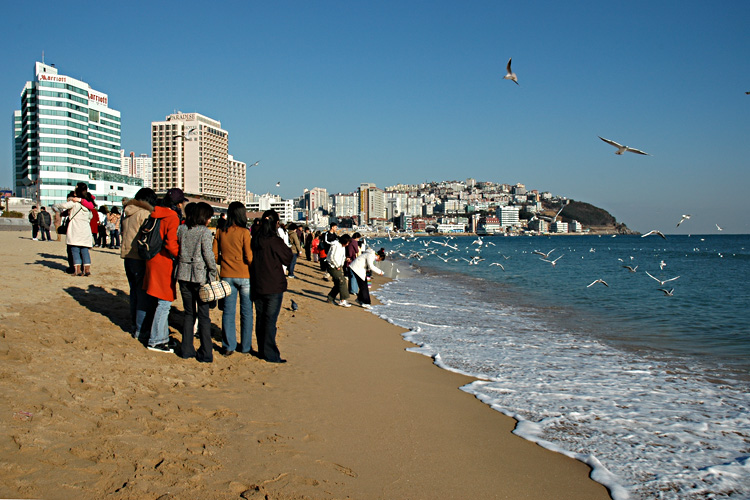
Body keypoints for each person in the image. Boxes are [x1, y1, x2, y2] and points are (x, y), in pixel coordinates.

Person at [143, 188, 184, 353]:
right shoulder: (172, 217)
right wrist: (182, 256)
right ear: (177, 204)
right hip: (164, 262)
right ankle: (156, 341)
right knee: (164, 303)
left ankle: (162, 337)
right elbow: (171, 243)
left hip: (152, 258)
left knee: (158, 301)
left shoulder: (155, 213)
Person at [176, 202, 217, 363]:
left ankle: (186, 349)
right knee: (203, 316)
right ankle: (206, 352)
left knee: (188, 314)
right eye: (209, 217)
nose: (209, 220)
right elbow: (208, 255)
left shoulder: (182, 229)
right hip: (200, 276)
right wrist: (213, 271)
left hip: (183, 274)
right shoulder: (204, 232)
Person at [250, 209, 293, 363]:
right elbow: (288, 258)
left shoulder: (255, 238)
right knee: (269, 320)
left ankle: (263, 350)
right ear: (275, 224)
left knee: (261, 318)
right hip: (273, 284)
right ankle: (270, 354)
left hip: (257, 283)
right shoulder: (274, 240)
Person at [213, 201, 253, 356]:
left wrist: (224, 261)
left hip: (227, 274)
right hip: (244, 274)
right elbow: (249, 256)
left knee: (228, 311)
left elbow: (214, 254)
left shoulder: (220, 231)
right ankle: (245, 346)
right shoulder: (244, 232)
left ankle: (228, 345)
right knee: (246, 312)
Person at [121, 188, 156, 340]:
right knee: (142, 295)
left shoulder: (128, 212)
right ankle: (141, 329)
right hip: (139, 258)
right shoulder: (144, 214)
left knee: (134, 292)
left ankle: (135, 324)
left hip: (127, 256)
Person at [56, 188, 94, 276]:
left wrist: (56, 206)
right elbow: (90, 217)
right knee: (85, 250)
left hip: (75, 229)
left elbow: (63, 205)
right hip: (85, 230)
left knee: (75, 250)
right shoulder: (88, 207)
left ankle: (77, 270)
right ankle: (87, 270)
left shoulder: (74, 203)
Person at [326, 233, 352, 307]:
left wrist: (345, 259)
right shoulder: (335, 245)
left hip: (338, 266)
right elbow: (332, 257)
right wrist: (337, 265)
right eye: (347, 243)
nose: (347, 244)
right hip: (332, 266)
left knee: (338, 283)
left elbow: (341, 256)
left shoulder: (342, 246)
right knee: (342, 281)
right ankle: (343, 300)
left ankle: (330, 298)